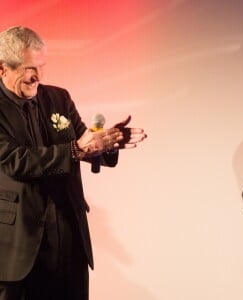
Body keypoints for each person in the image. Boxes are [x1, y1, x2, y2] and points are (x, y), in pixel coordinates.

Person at [0, 26, 146, 300]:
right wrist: (78, 149)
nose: (38, 76)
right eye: (29, 68)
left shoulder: (58, 97)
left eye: (42, 66)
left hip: (68, 237)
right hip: (19, 245)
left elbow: (83, 141)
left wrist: (108, 142)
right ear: (2, 69)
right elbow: (15, 160)